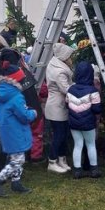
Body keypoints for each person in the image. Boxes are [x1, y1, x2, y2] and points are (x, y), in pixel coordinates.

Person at [0, 53, 38, 197]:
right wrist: (33, 113)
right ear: (16, 80)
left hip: (7, 130)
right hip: (16, 131)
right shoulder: (16, 96)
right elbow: (23, 116)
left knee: (15, 157)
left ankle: (16, 183)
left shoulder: (1, 92)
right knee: (18, 159)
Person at [66, 61, 103, 179]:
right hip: (88, 123)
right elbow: (97, 109)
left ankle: (77, 171)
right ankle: (94, 170)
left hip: (74, 123)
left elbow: (67, 104)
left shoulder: (70, 89)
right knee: (91, 145)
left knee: (77, 145)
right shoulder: (93, 91)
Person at [45, 43, 74, 174]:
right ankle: (52, 161)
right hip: (57, 107)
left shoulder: (56, 65)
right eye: (70, 57)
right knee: (59, 135)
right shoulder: (59, 71)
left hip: (59, 106)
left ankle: (62, 160)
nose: (72, 59)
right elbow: (66, 89)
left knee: (63, 134)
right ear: (64, 57)